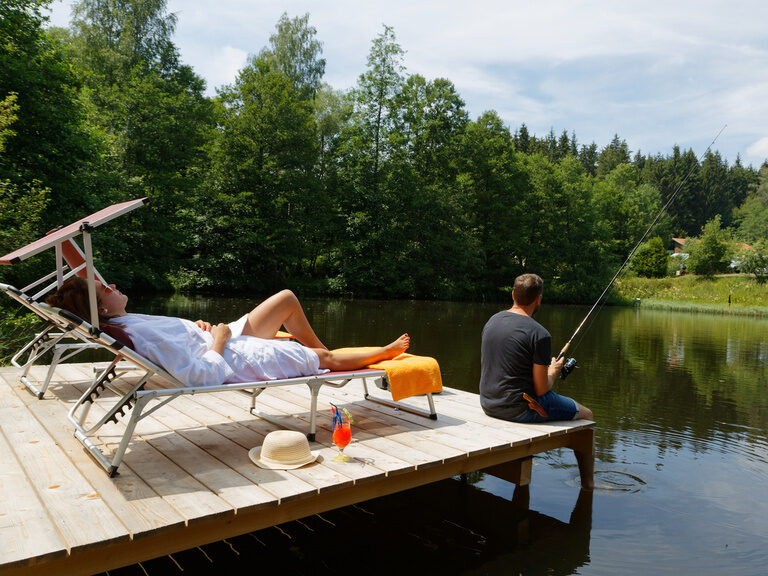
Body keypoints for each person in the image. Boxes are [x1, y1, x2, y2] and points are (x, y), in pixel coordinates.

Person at [46, 277, 409, 387]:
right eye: (104, 289)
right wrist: (218, 340)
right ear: (102, 309)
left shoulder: (125, 322)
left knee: (285, 299)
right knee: (324, 359)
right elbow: (201, 376)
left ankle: (322, 358)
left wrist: (199, 327)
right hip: (233, 353)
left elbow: (179, 343)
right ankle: (372, 354)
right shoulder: (138, 334)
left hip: (223, 339)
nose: (109, 285)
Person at [479, 273, 594, 489]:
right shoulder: (540, 334)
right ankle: (588, 485)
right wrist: (554, 370)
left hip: (488, 403)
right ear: (538, 299)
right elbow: (542, 389)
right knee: (587, 417)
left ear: (513, 295)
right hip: (520, 408)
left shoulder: (492, 321)